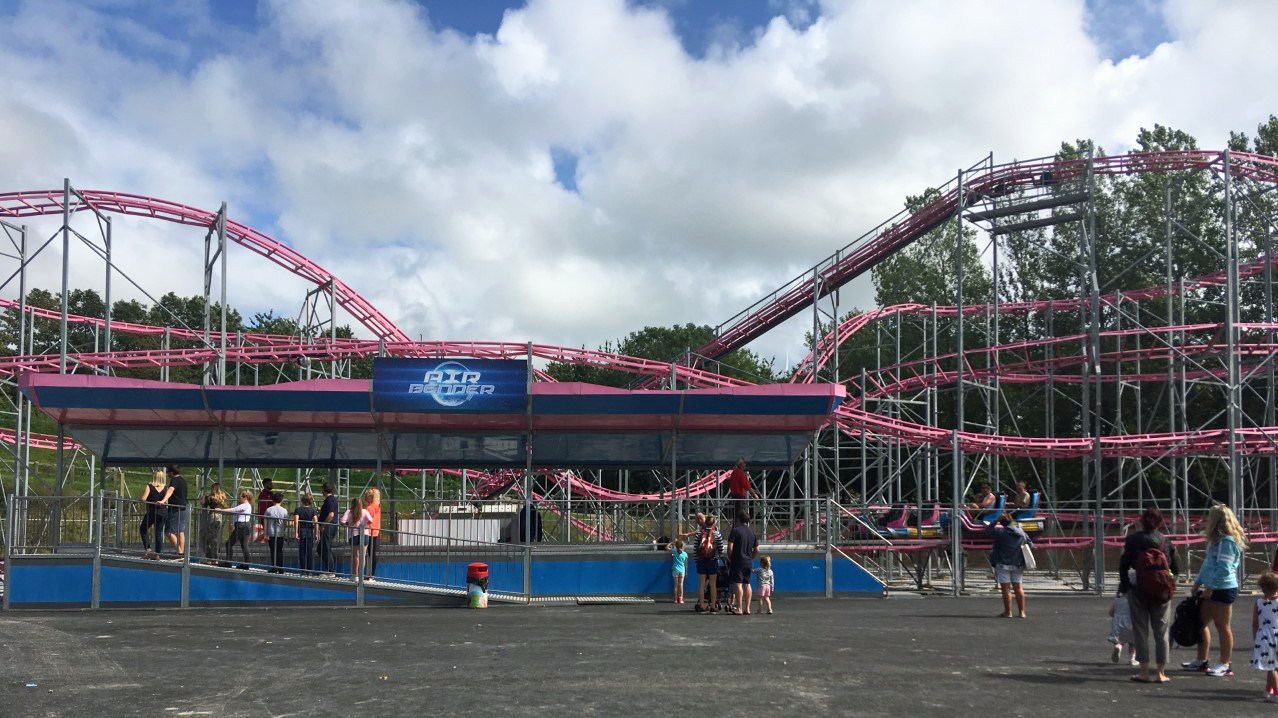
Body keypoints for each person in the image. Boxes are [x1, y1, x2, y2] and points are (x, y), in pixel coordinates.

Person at [1185, 503, 1247, 677]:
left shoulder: (1227, 541)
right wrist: (1198, 582)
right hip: (1211, 586)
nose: (1207, 520)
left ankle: (1225, 664)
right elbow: (1208, 563)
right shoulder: (1215, 541)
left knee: (1222, 626)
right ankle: (1201, 660)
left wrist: (1210, 587)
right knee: (1201, 622)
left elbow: (1224, 568)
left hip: (1223, 587)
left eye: (1210, 517)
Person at [1119, 507, 1178, 683]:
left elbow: (1123, 565)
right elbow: (1175, 569)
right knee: (1161, 632)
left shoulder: (1133, 540)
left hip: (1138, 590)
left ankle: (1144, 671)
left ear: (1142, 521)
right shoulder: (1166, 542)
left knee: (1140, 630)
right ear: (1160, 523)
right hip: (1161, 592)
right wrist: (1168, 581)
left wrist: (1126, 585)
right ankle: (1161, 672)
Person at [986, 512, 1031, 618]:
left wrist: (995, 521)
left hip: (1002, 562)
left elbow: (987, 531)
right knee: (1018, 587)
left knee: (1006, 588)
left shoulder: (999, 532)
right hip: (1018, 562)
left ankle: (1008, 612)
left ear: (1001, 523)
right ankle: (1022, 612)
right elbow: (1030, 543)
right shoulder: (1021, 532)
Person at [1251, 570, 1278, 702]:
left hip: (1264, 637)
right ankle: (1276, 692)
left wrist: (1255, 637)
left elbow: (1255, 623)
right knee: (1272, 666)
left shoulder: (1258, 603)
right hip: (1276, 636)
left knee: (1270, 666)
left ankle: (1270, 689)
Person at [726, 510, 759, 615]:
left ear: (739, 519)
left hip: (738, 560)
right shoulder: (752, 533)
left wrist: (731, 557)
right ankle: (747, 608)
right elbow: (757, 549)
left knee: (738, 584)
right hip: (748, 561)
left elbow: (730, 547)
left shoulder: (735, 531)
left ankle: (739, 608)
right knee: (747, 584)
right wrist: (751, 557)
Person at [694, 515, 725, 613]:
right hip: (713, 561)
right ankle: (713, 606)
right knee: (712, 584)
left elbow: (695, 549)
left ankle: (702, 605)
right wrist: (717, 556)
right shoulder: (717, 534)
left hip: (701, 561)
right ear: (714, 523)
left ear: (705, 522)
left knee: (701, 584)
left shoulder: (699, 533)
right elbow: (721, 549)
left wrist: (697, 560)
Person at [219, 490, 254, 568]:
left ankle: (229, 562)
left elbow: (233, 509)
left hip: (241, 526)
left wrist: (220, 510)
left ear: (245, 497)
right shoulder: (247, 505)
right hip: (246, 526)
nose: (239, 498)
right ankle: (246, 564)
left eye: (240, 497)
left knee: (229, 544)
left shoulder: (244, 505)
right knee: (244, 545)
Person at [159, 465, 188, 558]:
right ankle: (182, 551)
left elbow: (171, 490)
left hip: (175, 509)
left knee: (168, 532)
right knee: (180, 531)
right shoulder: (183, 480)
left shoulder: (174, 480)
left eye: (168, 472)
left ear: (172, 472)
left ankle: (179, 551)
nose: (167, 474)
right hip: (184, 507)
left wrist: (163, 500)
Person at [341, 496, 373, 579]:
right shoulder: (365, 511)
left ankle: (355, 575)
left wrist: (349, 524)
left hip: (354, 535)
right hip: (365, 534)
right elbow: (371, 520)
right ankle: (361, 574)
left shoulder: (349, 512)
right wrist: (365, 525)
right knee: (363, 556)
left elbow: (342, 521)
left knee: (356, 556)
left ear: (352, 504)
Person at [139, 470, 167, 557]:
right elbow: (166, 501)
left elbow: (144, 498)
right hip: (163, 512)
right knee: (158, 532)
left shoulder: (150, 486)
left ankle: (148, 548)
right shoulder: (166, 487)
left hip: (152, 511)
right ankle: (158, 554)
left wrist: (142, 500)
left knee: (143, 528)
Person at [200, 483, 228, 563]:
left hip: (213, 516)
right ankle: (214, 557)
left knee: (207, 538)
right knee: (215, 538)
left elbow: (204, 504)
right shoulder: (222, 497)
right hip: (220, 516)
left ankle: (211, 557)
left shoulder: (211, 498)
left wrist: (203, 498)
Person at [1108, 593, 1137, 666]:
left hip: (1117, 625)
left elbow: (1111, 613)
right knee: (1133, 643)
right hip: (1130, 623)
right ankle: (1131, 659)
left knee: (1121, 641)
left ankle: (1118, 647)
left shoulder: (1117, 599)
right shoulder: (1134, 600)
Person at [264, 491, 290, 574]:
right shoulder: (284, 510)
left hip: (271, 532)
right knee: (279, 550)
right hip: (280, 533)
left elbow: (265, 522)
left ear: (272, 500)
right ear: (281, 501)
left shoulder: (269, 510)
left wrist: (265, 533)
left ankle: (274, 567)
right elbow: (286, 523)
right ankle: (281, 568)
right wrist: (284, 529)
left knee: (273, 551)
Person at [318, 483, 339, 577]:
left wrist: (323, 525)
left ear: (323, 490)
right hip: (331, 526)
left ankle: (331, 570)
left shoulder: (329, 501)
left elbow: (331, 515)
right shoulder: (333, 500)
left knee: (326, 548)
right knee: (321, 548)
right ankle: (330, 568)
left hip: (329, 527)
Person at [294, 494, 318, 575]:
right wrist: (316, 533)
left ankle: (303, 569)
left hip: (301, 531)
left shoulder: (298, 510)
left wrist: (296, 532)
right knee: (309, 551)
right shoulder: (313, 511)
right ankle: (309, 569)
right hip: (309, 532)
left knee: (302, 551)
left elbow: (296, 521)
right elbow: (316, 522)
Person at [363, 488, 382, 577]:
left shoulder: (370, 508)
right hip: (375, 531)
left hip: (369, 531)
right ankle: (372, 573)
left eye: (366, 497)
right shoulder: (377, 507)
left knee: (368, 553)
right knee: (372, 553)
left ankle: (370, 573)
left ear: (370, 497)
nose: (365, 498)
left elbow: (366, 519)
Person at [255, 478, 274, 543]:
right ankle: (255, 542)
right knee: (269, 532)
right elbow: (263, 507)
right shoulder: (263, 494)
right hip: (266, 517)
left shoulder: (270, 494)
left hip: (269, 517)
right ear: (265, 485)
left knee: (269, 532)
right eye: (270, 484)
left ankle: (257, 542)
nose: (272, 485)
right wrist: (262, 517)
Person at [670, 539, 688, 604]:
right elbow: (686, 564)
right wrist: (686, 571)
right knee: (681, 585)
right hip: (682, 570)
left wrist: (671, 542)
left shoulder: (674, 551)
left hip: (675, 569)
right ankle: (681, 598)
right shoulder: (685, 554)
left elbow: (666, 547)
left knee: (675, 585)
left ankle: (675, 599)